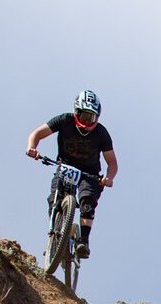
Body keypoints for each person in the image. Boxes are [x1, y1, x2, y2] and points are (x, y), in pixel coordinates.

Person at [24, 90, 118, 259]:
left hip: (89, 174)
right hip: (65, 166)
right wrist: (32, 147)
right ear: (76, 112)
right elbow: (36, 134)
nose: (87, 121)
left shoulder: (101, 133)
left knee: (87, 201)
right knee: (55, 198)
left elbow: (112, 162)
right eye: (84, 116)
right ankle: (53, 236)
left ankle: (83, 241)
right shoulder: (64, 120)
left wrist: (109, 178)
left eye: (92, 117)